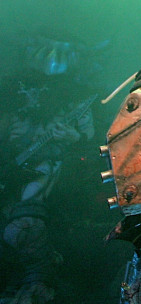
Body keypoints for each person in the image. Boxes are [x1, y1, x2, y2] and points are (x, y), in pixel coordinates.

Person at [0, 37, 99, 304]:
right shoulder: (9, 87)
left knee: (24, 226)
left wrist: (74, 141)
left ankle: (37, 283)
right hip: (10, 171)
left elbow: (97, 150)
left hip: (50, 182)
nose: (52, 58)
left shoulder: (81, 96)